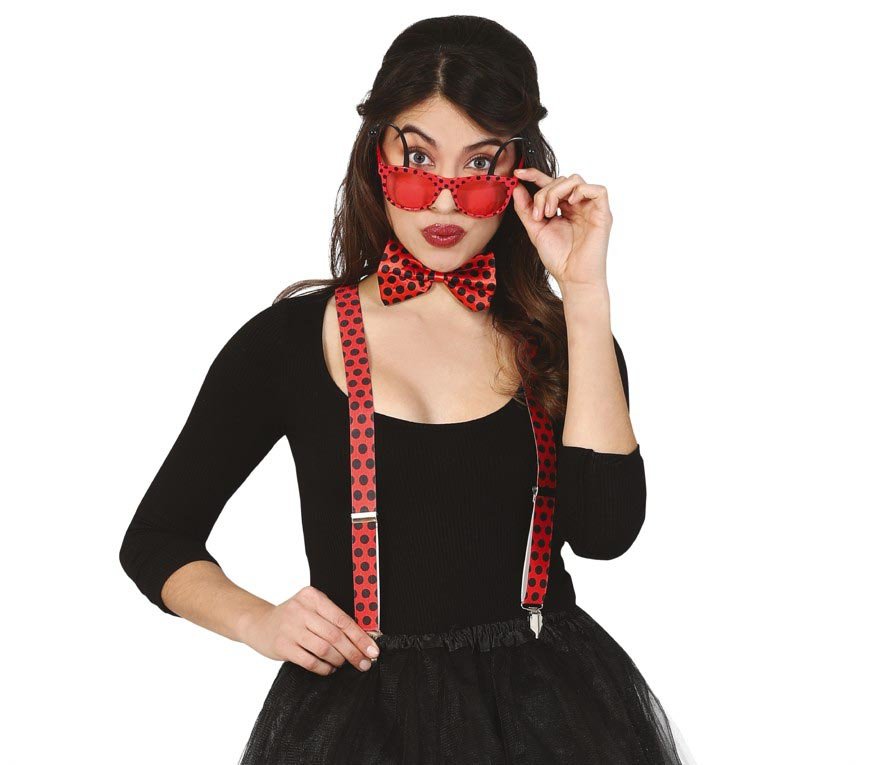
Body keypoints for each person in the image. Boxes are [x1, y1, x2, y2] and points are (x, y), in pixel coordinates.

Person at [120, 15, 695, 764]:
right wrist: (258, 621)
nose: (445, 202)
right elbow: (156, 538)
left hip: (548, 718)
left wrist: (584, 295)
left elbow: (607, 533)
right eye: (419, 159)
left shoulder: (564, 342)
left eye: (479, 164)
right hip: (358, 726)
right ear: (377, 157)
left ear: (520, 170)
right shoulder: (288, 343)